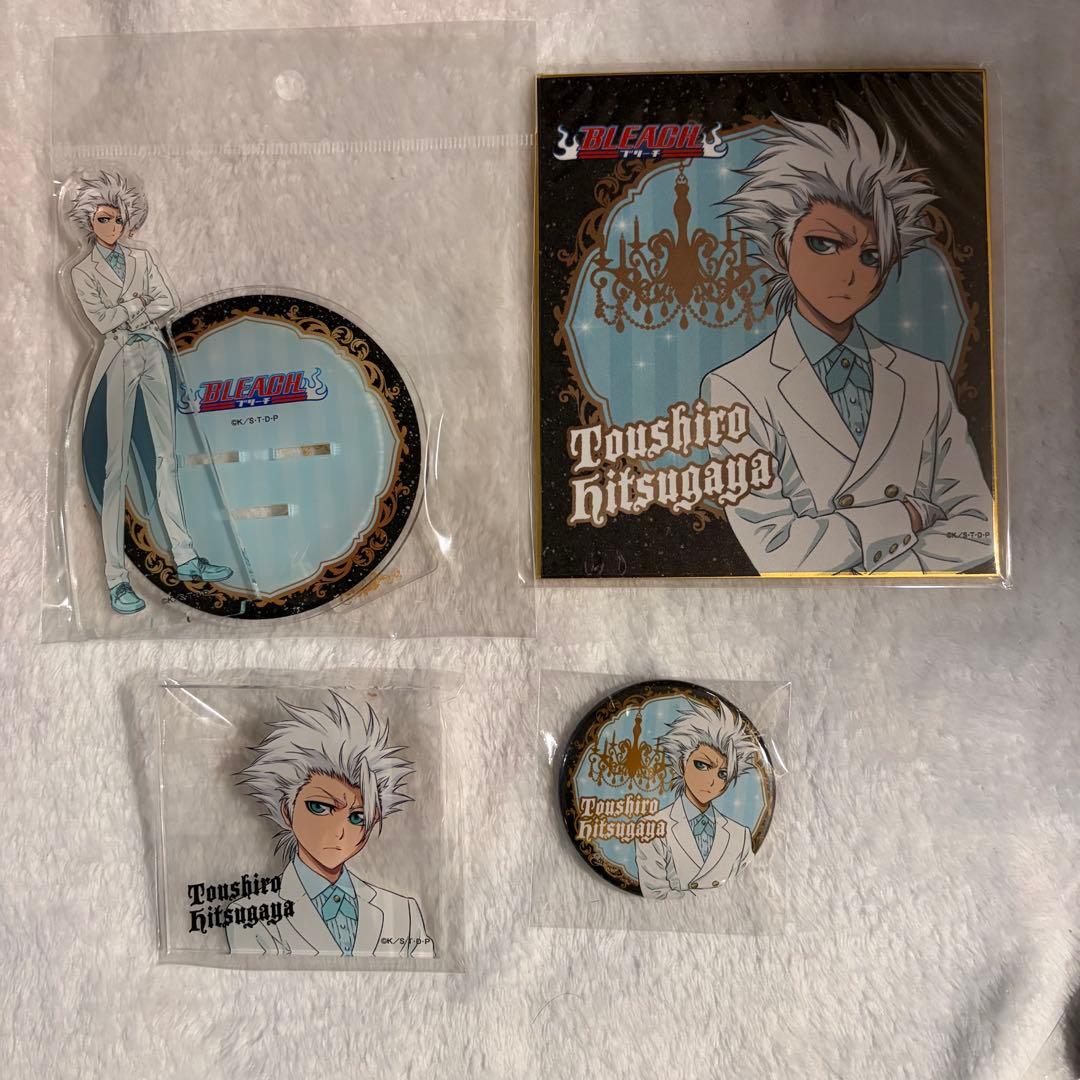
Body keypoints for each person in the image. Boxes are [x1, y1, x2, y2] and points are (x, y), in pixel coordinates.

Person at [703, 106, 994, 575]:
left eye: (871, 256)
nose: (849, 274)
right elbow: (776, 550)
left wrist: (882, 576)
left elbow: (979, 528)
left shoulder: (926, 378)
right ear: (782, 246)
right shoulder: (737, 387)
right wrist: (904, 514)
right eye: (824, 244)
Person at [66, 170, 231, 614]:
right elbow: (103, 321)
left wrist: (130, 309)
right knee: (115, 467)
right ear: (89, 221)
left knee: (167, 456)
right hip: (117, 357)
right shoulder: (82, 271)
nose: (111, 227)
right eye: (103, 219)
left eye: (117, 219)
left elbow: (166, 301)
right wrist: (137, 305)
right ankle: (116, 578)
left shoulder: (142, 257)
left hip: (154, 352)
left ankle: (187, 557)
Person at [227, 691, 433, 958]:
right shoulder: (250, 916)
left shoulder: (403, 912)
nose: (339, 831)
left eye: (357, 817)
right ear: (287, 810)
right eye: (320, 808)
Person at [635, 699, 760, 899]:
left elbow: (744, 888)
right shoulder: (651, 826)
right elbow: (655, 894)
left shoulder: (740, 835)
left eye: (723, 774)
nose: (711, 781)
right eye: (702, 765)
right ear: (681, 763)